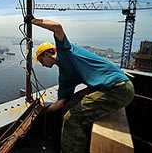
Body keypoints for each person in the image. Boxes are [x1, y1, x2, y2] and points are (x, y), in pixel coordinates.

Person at [30, 17, 135, 153]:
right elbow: (61, 103)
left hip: (118, 88)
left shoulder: (65, 51)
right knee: (69, 106)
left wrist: (33, 21)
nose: (42, 64)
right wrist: (43, 112)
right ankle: (77, 141)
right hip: (106, 88)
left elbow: (57, 27)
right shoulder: (65, 76)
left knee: (72, 118)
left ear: (48, 54)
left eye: (41, 60)